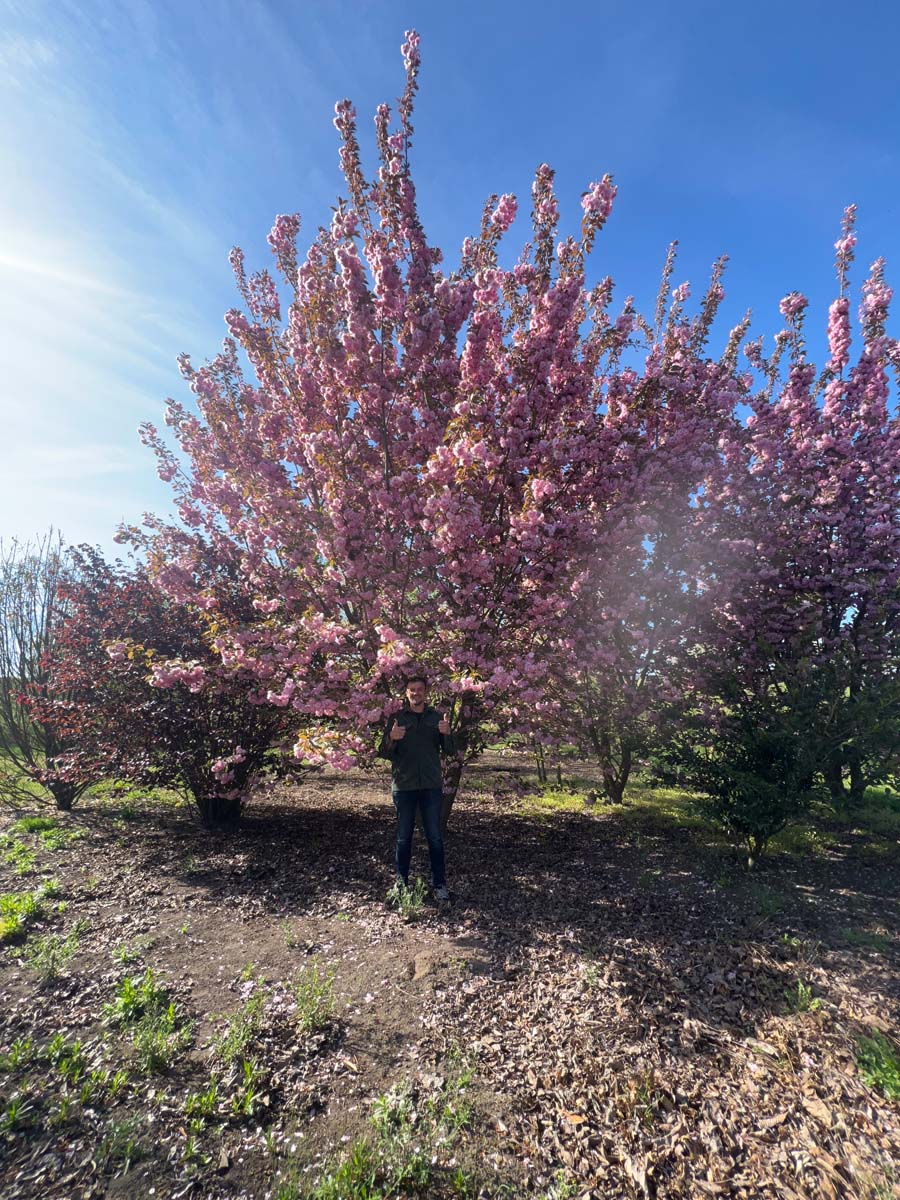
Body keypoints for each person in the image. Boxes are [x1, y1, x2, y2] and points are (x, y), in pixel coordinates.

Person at [378, 675, 455, 904]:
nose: (416, 693)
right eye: (412, 690)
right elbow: (383, 752)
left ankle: (439, 885)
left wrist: (447, 733)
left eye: (420, 689)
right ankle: (401, 884)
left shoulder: (436, 717)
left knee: (435, 838)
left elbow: (450, 751)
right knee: (404, 838)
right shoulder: (397, 718)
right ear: (406, 693)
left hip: (431, 786)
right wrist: (392, 738)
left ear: (426, 692)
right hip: (404, 786)